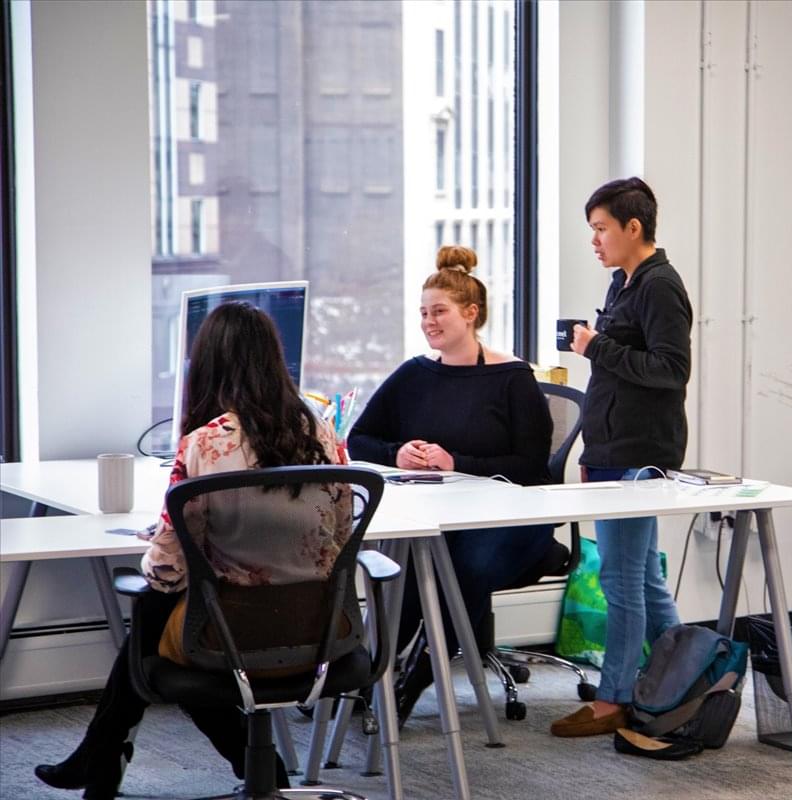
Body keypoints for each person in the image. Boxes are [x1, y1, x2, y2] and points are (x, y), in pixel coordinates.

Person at [35, 302, 348, 799]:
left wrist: (167, 543)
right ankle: (102, 755)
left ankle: (103, 753)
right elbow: (339, 534)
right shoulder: (325, 434)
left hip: (232, 640)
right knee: (170, 627)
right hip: (322, 636)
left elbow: (163, 571)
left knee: (156, 628)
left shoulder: (204, 445)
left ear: (208, 366)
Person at [347, 244, 556, 727]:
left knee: (453, 566)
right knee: (414, 562)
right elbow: (360, 439)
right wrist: (396, 453)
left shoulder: (512, 378)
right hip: (438, 514)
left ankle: (411, 676)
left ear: (471, 313)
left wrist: (456, 461)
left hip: (511, 520)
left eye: (438, 311)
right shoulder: (413, 375)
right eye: (423, 313)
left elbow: (530, 466)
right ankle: (373, 673)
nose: (428, 322)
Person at [550, 177, 692, 737]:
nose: (595, 240)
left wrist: (597, 346)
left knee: (622, 578)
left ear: (634, 228)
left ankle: (616, 697)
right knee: (644, 581)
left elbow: (670, 370)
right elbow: (617, 374)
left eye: (601, 228)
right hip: (612, 450)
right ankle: (687, 678)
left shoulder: (660, 287)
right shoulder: (623, 284)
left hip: (641, 454)